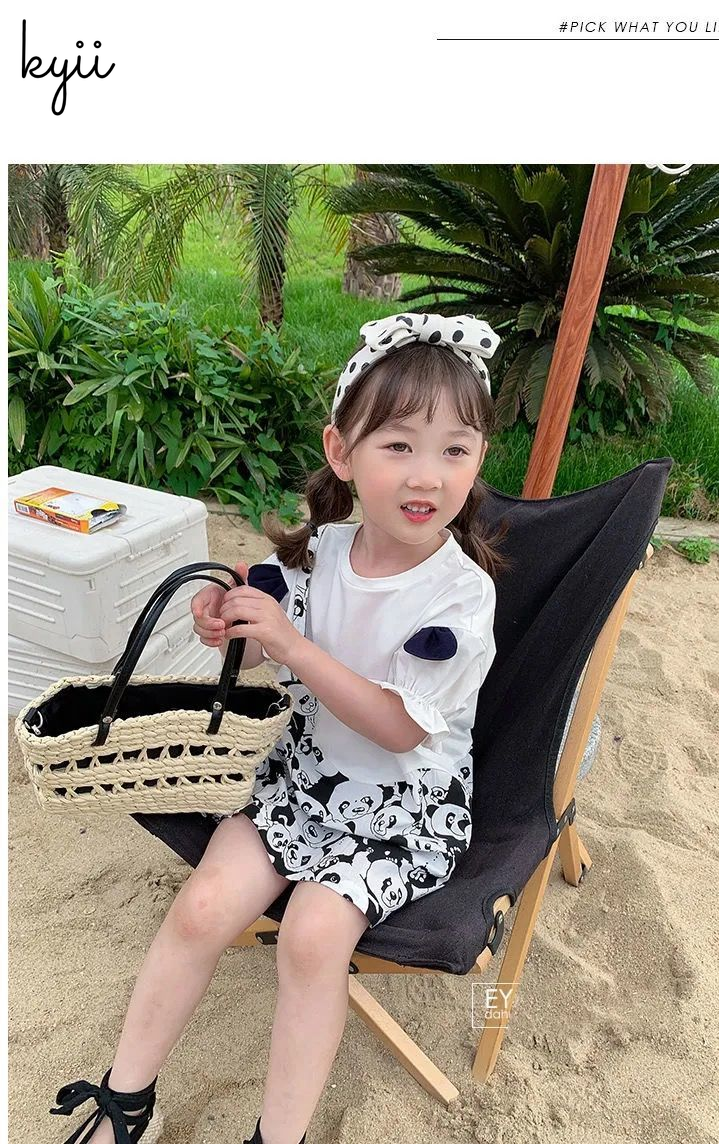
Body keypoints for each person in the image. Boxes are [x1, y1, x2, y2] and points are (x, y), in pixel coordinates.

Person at [50, 312, 510, 1144]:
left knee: (309, 937)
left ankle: (279, 1135)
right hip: (300, 781)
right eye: (398, 445)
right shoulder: (322, 552)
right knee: (201, 909)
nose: (427, 475)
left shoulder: (460, 596)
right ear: (343, 452)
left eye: (456, 449)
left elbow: (399, 728)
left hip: (400, 812)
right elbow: (262, 645)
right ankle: (127, 1097)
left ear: (480, 459)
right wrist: (228, 617)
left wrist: (295, 645)